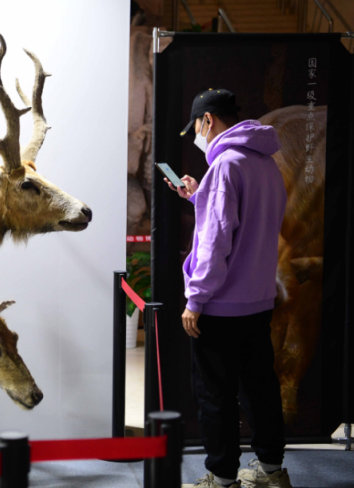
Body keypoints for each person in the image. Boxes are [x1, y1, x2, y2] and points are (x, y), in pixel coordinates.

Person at [166, 89, 292, 488]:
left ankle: (222, 480)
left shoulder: (224, 166)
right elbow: (251, 224)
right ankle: (272, 472)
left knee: (215, 395)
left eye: (196, 128)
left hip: (220, 307)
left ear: (207, 121)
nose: (198, 136)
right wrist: (200, 197)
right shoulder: (266, 163)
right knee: (260, 389)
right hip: (258, 299)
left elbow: (215, 241)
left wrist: (195, 299)